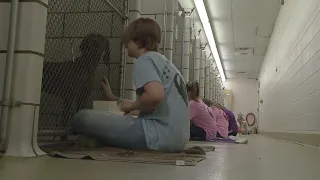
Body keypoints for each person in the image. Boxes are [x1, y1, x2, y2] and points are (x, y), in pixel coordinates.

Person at [69, 17, 190, 152]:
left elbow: (155, 95)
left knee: (82, 117)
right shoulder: (166, 64)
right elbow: (158, 103)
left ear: (138, 41)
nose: (125, 45)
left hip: (156, 135)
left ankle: (94, 137)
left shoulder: (144, 60)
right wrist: (115, 98)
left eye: (128, 41)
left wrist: (133, 105)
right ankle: (98, 139)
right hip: (177, 139)